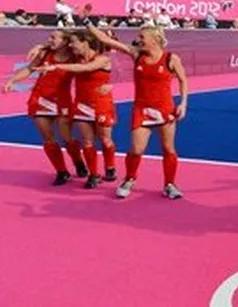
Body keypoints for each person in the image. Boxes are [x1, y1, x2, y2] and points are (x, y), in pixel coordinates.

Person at [84, 16, 189, 200]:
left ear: (154, 39)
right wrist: (87, 22)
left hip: (165, 109)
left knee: (168, 149)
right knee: (136, 150)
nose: (138, 40)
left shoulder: (171, 59)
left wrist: (183, 103)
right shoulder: (136, 54)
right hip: (142, 109)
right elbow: (106, 40)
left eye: (142, 37)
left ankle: (170, 184)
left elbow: (183, 80)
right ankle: (129, 179)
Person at [36, 30, 118, 188]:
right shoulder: (76, 58)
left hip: (101, 103)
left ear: (85, 42)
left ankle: (110, 167)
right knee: (87, 141)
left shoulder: (102, 59)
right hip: (82, 104)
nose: (71, 45)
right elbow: (59, 49)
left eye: (74, 42)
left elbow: (86, 68)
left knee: (105, 140)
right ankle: (94, 175)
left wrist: (56, 66)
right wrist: (42, 47)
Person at [3, 30, 85, 184]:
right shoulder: (44, 54)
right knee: (48, 138)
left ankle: (78, 161)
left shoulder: (76, 56)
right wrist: (12, 80)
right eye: (50, 37)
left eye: (53, 37)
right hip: (40, 99)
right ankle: (61, 171)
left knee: (67, 138)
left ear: (65, 41)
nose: (50, 39)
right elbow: (29, 69)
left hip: (62, 100)